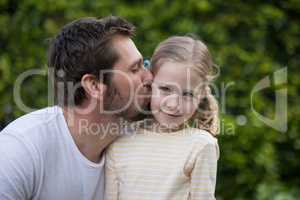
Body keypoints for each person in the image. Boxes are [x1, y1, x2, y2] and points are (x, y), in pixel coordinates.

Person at [0, 16, 152, 200]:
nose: (149, 77)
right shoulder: (20, 149)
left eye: (145, 64)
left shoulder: (141, 145)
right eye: (135, 69)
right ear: (94, 85)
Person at [105, 35, 220, 200]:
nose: (174, 104)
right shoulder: (119, 141)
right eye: (166, 89)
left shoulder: (201, 146)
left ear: (201, 94)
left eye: (187, 94)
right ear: (150, 83)